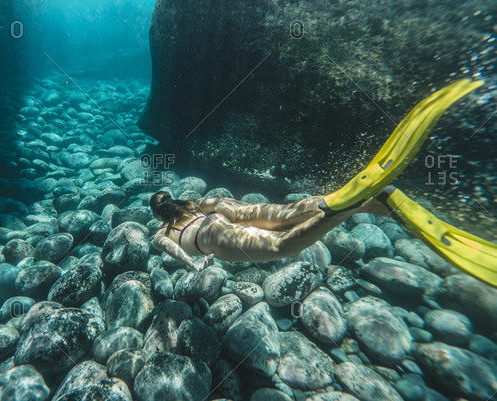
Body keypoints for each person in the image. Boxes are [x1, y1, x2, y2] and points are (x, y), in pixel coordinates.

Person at [151, 79, 497, 287]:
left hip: (209, 236)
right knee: (288, 213)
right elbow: (221, 201)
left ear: (157, 216)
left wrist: (196, 264)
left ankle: (342, 208)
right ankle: (351, 200)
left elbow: (177, 252)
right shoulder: (191, 204)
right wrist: (233, 212)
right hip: (221, 212)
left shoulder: (160, 233)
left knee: (281, 247)